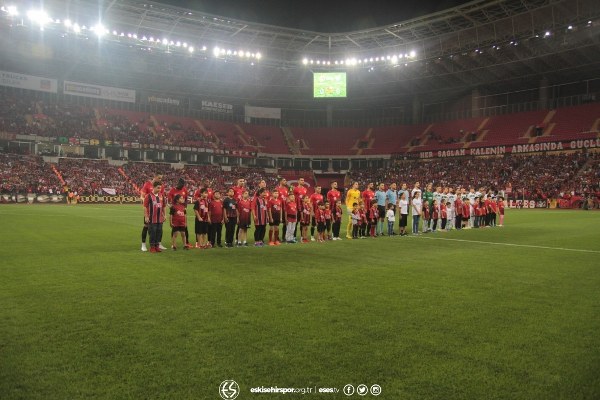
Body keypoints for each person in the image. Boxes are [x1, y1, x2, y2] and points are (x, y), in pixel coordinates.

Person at [140, 175, 166, 252]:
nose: (160, 189)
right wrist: (146, 216)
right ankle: (148, 246)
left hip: (159, 218)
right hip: (151, 217)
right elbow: (144, 206)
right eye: (158, 188)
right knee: (151, 231)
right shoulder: (148, 194)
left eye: (160, 188)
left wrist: (164, 215)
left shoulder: (161, 195)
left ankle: (157, 245)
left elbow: (163, 206)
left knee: (159, 231)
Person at [167, 178, 191, 247]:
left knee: (185, 228)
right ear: (178, 183)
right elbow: (169, 199)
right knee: (174, 229)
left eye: (183, 185)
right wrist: (170, 205)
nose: (182, 186)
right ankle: (173, 244)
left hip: (182, 209)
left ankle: (186, 242)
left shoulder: (184, 189)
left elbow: (186, 199)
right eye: (181, 185)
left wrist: (185, 206)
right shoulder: (172, 190)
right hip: (175, 209)